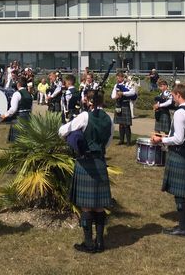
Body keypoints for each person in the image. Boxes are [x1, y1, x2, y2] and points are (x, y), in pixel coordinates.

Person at [59, 90, 113, 253]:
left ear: (89, 101)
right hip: (100, 160)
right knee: (99, 206)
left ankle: (89, 243)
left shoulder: (84, 116)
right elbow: (108, 142)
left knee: (86, 207)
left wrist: (69, 131)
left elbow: (63, 131)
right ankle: (100, 242)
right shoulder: (109, 119)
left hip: (85, 162)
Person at [151, 84, 185, 237]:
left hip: (179, 154)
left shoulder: (180, 113)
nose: (172, 98)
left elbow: (178, 138)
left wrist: (160, 140)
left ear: (178, 95)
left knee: (180, 194)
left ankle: (183, 228)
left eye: (173, 96)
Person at [0, 77, 33, 142]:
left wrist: (5, 115)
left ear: (18, 84)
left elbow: (13, 109)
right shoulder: (29, 94)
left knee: (17, 140)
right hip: (28, 117)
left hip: (19, 118)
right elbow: (31, 108)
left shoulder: (17, 94)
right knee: (26, 139)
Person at [111, 72, 136, 145]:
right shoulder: (116, 85)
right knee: (120, 124)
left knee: (126, 124)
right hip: (119, 104)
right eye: (117, 77)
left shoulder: (128, 84)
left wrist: (123, 93)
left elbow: (133, 92)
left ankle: (128, 141)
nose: (117, 79)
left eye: (119, 77)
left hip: (125, 104)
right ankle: (121, 140)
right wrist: (115, 96)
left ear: (122, 77)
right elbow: (112, 96)